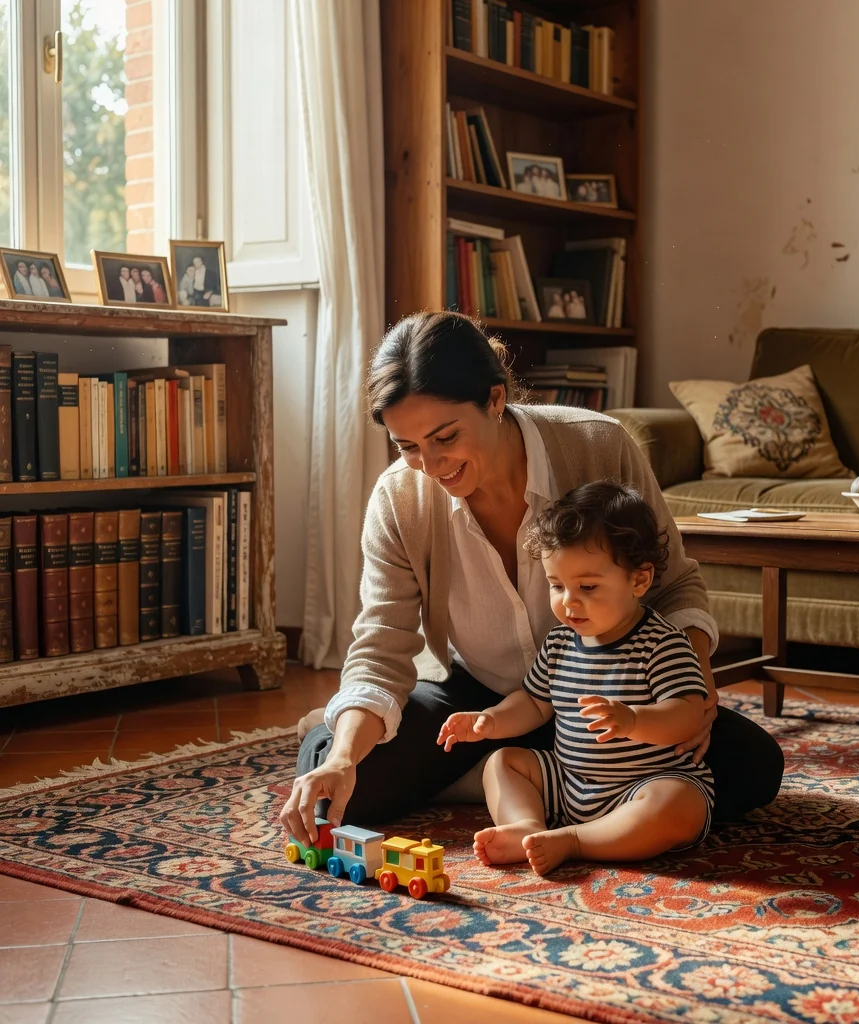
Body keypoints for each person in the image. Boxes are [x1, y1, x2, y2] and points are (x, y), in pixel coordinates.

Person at [280, 311, 784, 850]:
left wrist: (694, 691)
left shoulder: (599, 446)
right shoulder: (399, 499)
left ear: (496, 399)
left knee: (751, 765)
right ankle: (544, 785)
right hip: (475, 700)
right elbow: (382, 646)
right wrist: (342, 758)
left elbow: (676, 585)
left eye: (445, 436)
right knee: (336, 768)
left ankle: (505, 786)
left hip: (611, 696)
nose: (429, 464)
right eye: (407, 446)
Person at [437, 482, 715, 876]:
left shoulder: (663, 644)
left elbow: (688, 715)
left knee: (680, 804)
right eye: (556, 586)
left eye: (587, 587)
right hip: (569, 783)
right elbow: (534, 703)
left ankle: (575, 841)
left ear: (638, 581)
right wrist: (492, 720)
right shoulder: (560, 642)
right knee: (503, 762)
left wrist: (634, 721)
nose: (568, 601)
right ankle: (528, 827)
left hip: (645, 785)